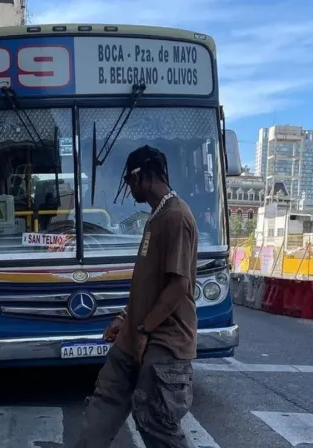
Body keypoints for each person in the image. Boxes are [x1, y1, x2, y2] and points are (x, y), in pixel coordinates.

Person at [74, 146, 198, 448]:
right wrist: (125, 319)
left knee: (154, 419)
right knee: (105, 401)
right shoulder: (155, 217)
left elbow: (178, 286)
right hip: (134, 337)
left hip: (164, 340)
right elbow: (147, 285)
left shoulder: (176, 216)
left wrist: (145, 329)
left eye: (130, 180)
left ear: (142, 175)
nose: (129, 189)